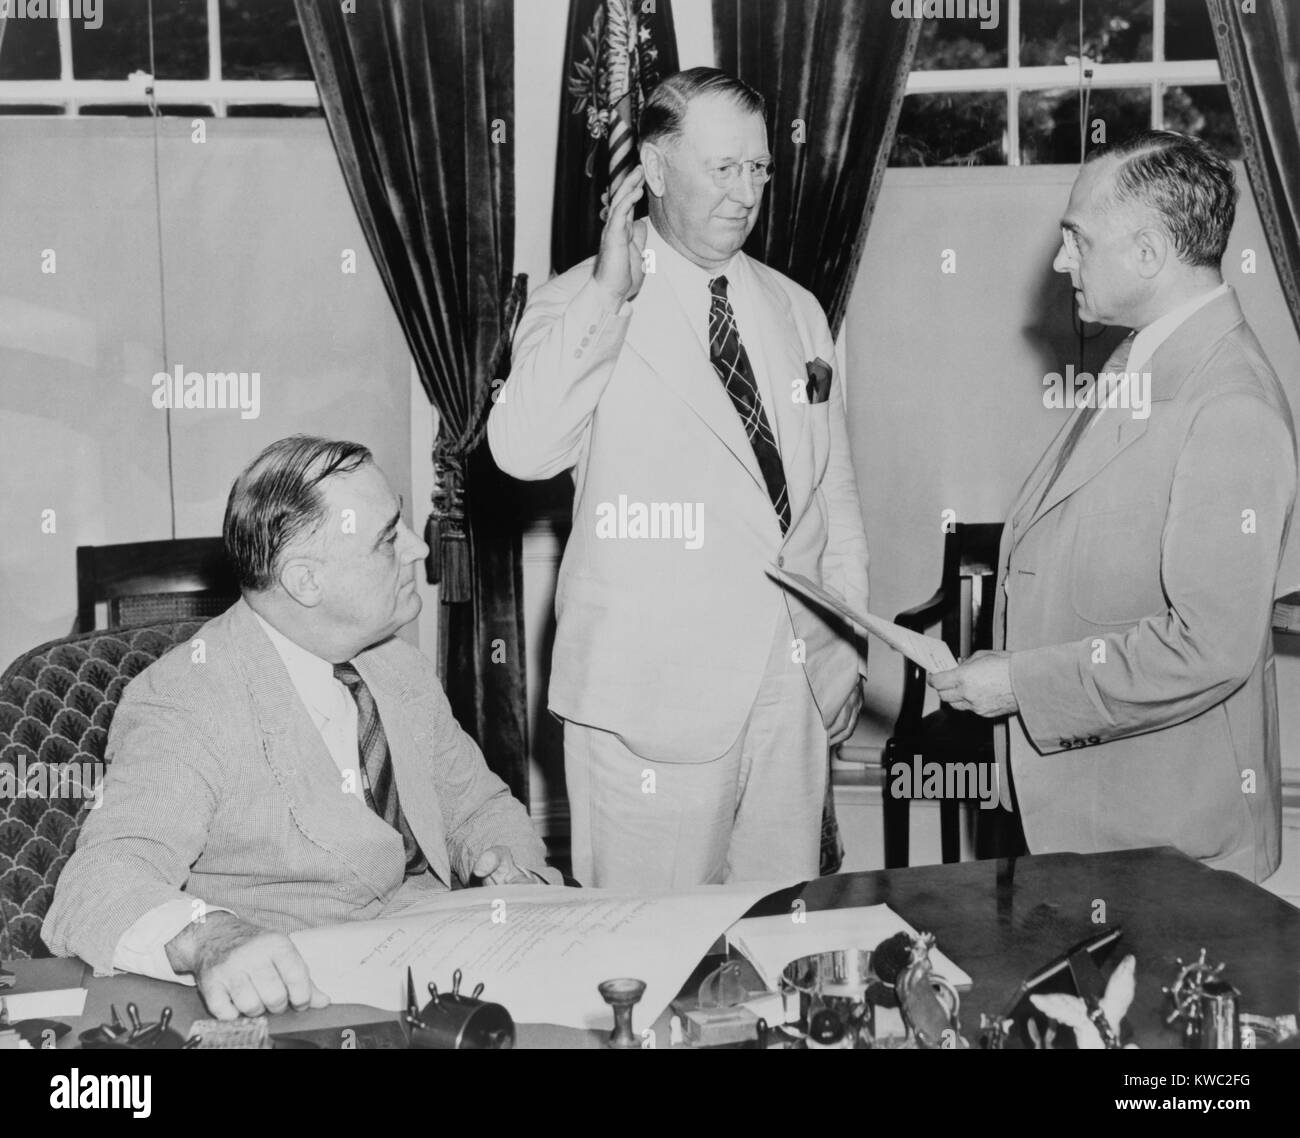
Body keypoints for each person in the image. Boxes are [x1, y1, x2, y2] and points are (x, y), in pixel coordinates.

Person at [488, 68, 870, 889]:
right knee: (647, 965)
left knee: (778, 948)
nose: (746, 194)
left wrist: (844, 644)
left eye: (759, 170)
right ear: (655, 171)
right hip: (648, 704)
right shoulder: (576, 306)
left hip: (790, 683)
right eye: (723, 169)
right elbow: (520, 450)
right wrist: (607, 294)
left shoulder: (797, 308)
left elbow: (831, 492)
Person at [43, 436, 558, 1019]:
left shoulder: (391, 662)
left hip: (454, 980)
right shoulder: (189, 700)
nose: (418, 548)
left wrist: (509, 870)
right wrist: (211, 938)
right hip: (306, 1013)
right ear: (305, 582)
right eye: (389, 538)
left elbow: (478, 806)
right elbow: (97, 884)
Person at [930, 131, 1297, 882]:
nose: (1061, 261)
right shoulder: (1141, 356)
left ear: (1148, 253)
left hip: (1167, 848)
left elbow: (1209, 647)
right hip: (1098, 826)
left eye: (1077, 239)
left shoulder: (1229, 403)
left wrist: (1019, 684)